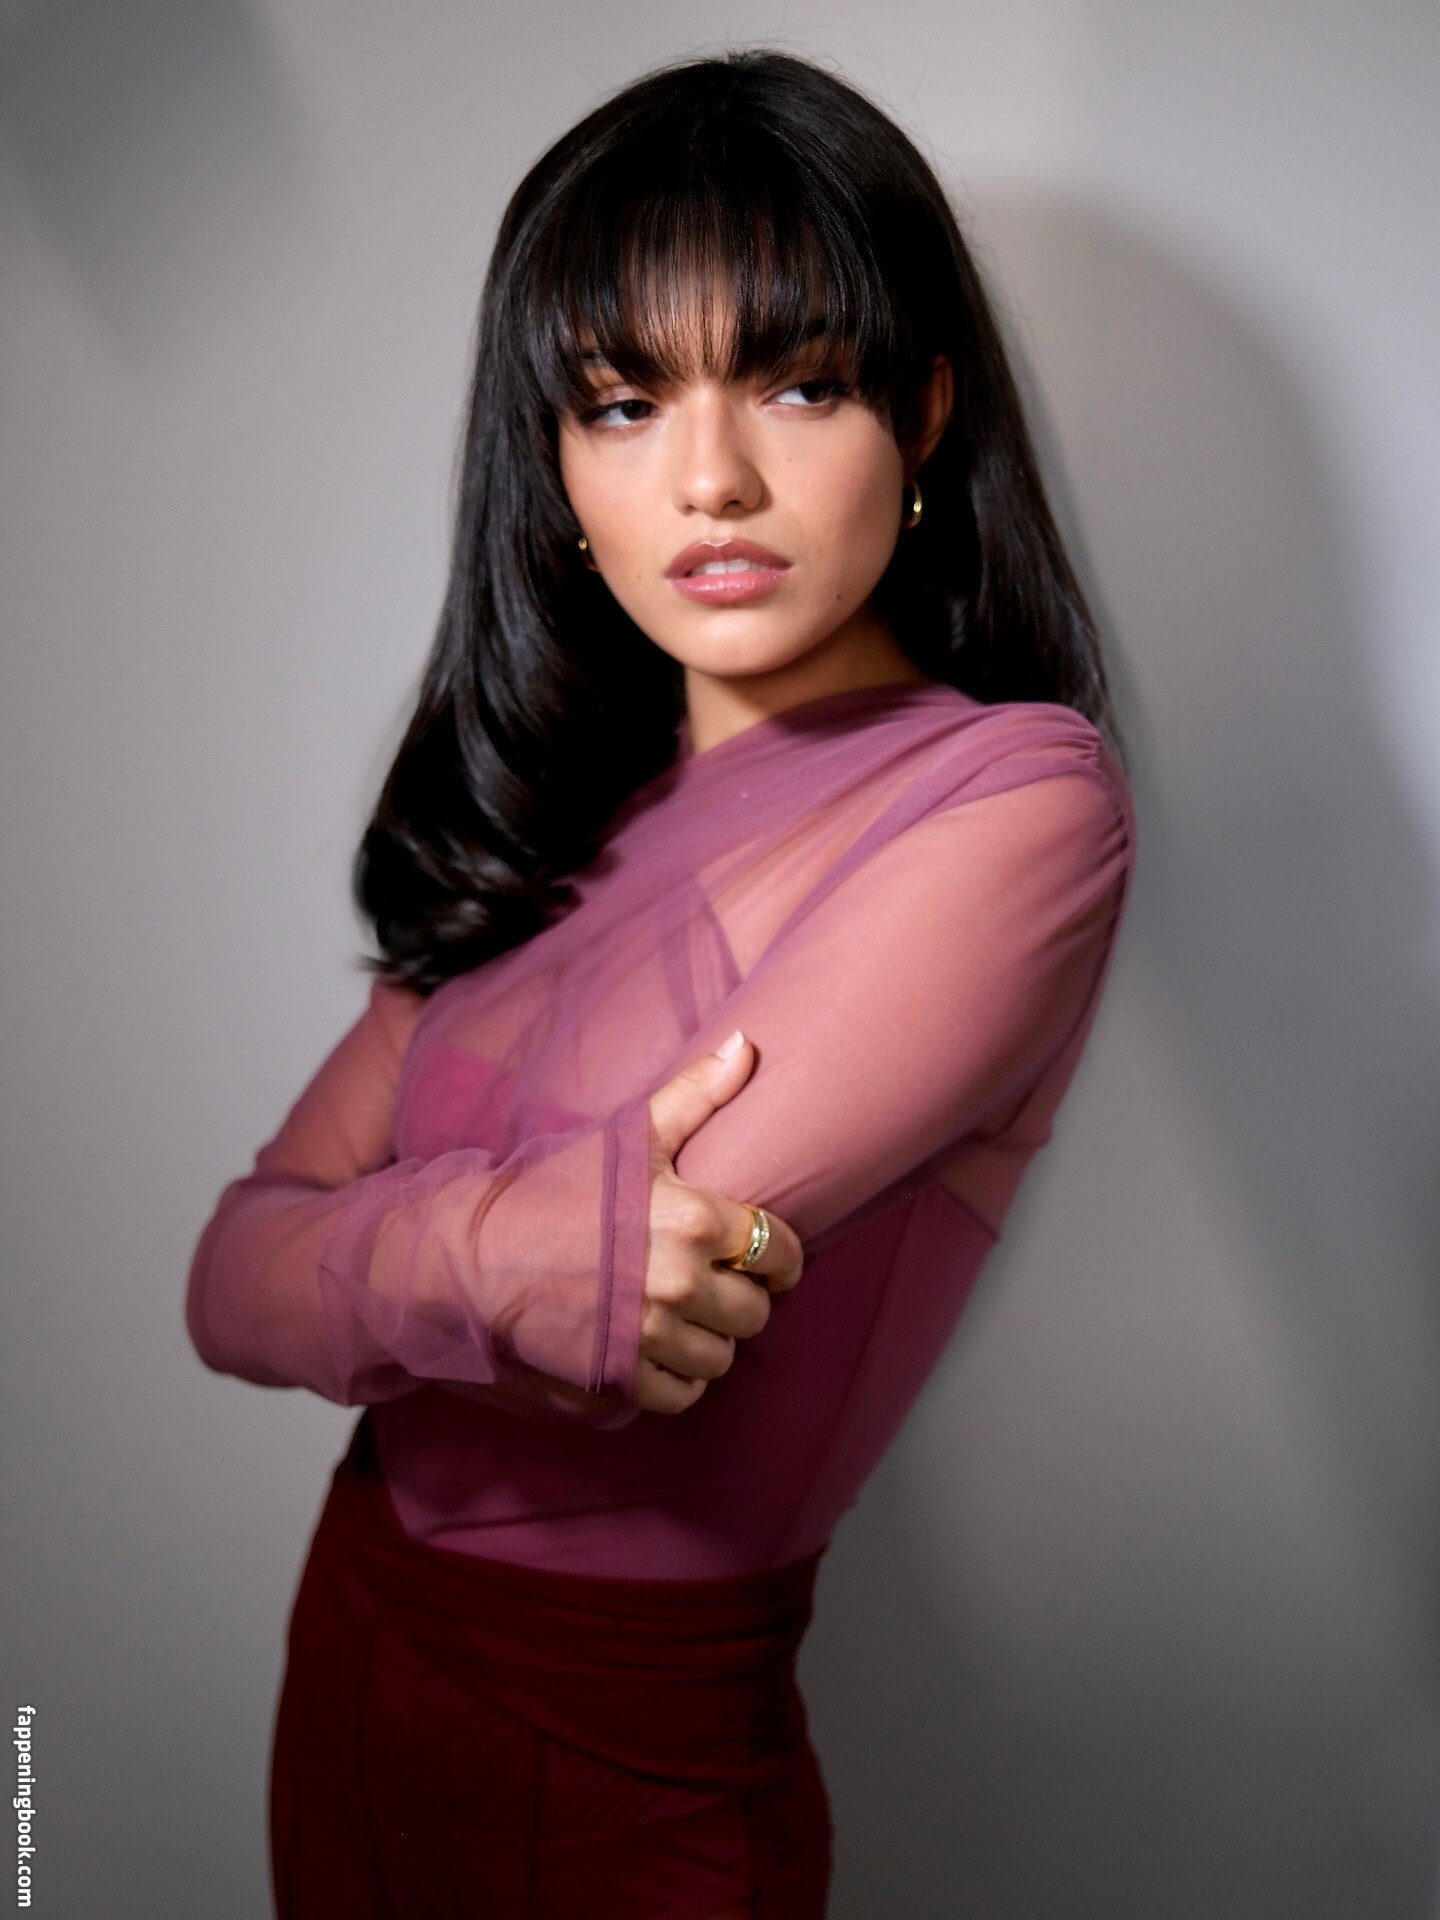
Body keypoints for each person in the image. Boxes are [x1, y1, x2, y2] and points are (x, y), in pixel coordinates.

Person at [185, 46, 1135, 1920]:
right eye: (623, 404)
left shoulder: (1011, 802)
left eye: (798, 383)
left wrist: (392, 1253)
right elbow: (229, 1277)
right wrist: (500, 1255)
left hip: (630, 1764)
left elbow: (638, 1286)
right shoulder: (547, 822)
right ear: (552, 466)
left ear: (925, 410)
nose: (711, 478)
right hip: (358, 1658)